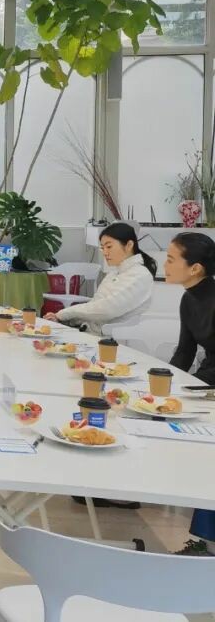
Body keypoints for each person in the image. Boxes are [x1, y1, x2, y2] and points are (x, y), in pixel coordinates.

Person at [162, 232, 215, 557]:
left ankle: (208, 545)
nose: (165, 265)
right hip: (208, 381)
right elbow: (185, 351)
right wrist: (162, 386)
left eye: (171, 259)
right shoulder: (189, 298)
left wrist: (194, 387)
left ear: (195, 268)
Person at [44, 223, 156, 334]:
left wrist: (64, 314)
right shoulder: (114, 273)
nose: (105, 253)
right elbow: (93, 307)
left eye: (109, 247)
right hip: (90, 332)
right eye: (102, 248)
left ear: (129, 245)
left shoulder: (140, 275)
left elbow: (107, 309)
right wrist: (64, 320)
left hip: (110, 339)